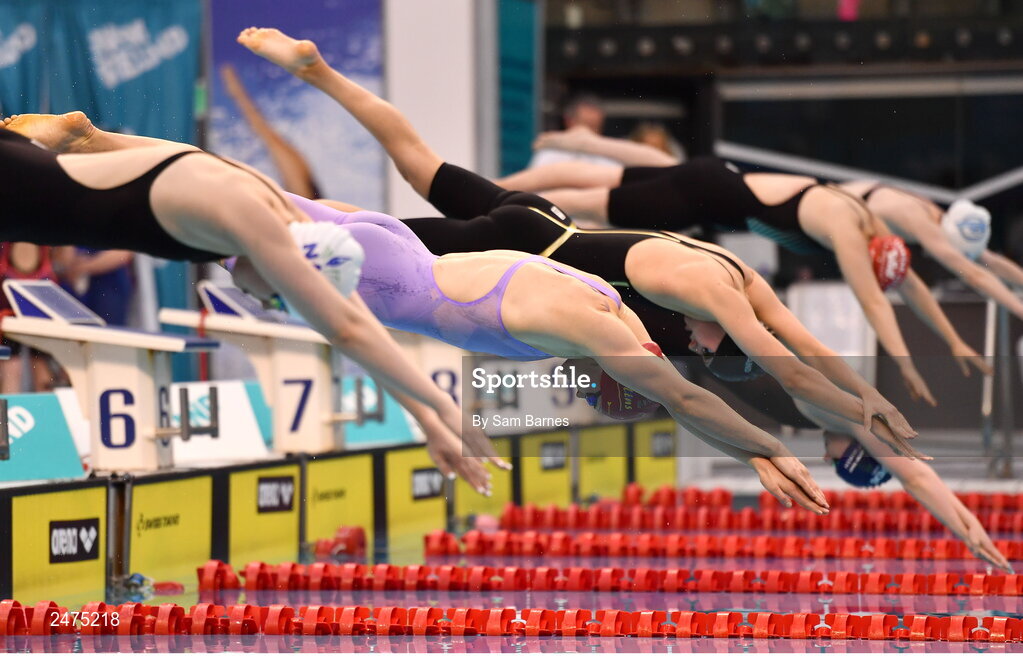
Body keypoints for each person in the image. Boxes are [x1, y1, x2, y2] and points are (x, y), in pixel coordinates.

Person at [239, 26, 937, 466]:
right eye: (707, 345)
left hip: (540, 222)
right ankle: (250, 194)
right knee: (320, 235)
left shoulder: (711, 287)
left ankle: (319, 72)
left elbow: (797, 366)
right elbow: (781, 380)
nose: (697, 344)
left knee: (413, 157)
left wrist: (861, 403)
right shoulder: (684, 314)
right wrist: (857, 410)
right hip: (517, 255)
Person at [0, 111, 504, 494]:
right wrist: (442, 411)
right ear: (287, 267)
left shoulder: (263, 197)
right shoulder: (255, 225)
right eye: (273, 296)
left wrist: (92, 141)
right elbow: (348, 330)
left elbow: (173, 157)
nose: (248, 295)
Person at [495, 133, 991, 405]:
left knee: (592, 183)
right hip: (707, 194)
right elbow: (876, 301)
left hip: (717, 181)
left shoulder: (869, 217)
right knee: (588, 203)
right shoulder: (847, 232)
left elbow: (910, 286)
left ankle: (513, 177)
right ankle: (502, 198)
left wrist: (953, 340)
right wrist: (902, 363)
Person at [842, 181, 1023, 322]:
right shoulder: (924, 227)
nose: (962, 258)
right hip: (841, 206)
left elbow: (989, 260)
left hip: (854, 197)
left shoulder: (944, 219)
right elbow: (974, 276)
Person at [220, 63, 322, 199]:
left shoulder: (304, 207)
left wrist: (237, 93)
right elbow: (273, 141)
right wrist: (238, 94)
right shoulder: (305, 202)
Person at [528, 94, 618, 169]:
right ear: (569, 121)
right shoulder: (550, 154)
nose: (590, 133)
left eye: (596, 127)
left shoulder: (609, 157)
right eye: (587, 125)